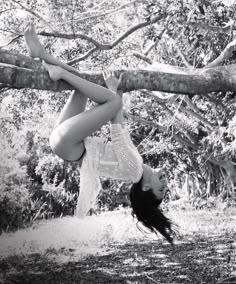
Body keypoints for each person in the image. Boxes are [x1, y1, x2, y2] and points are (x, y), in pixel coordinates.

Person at [24, 24, 176, 244]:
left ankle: (59, 71)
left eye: (161, 187)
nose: (165, 181)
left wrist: (114, 93)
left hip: (70, 143)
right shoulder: (136, 166)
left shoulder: (135, 170)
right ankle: (41, 53)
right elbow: (122, 131)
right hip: (66, 143)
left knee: (112, 101)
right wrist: (117, 94)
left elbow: (116, 134)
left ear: (146, 186)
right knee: (81, 81)